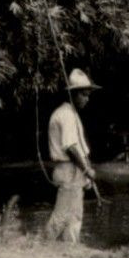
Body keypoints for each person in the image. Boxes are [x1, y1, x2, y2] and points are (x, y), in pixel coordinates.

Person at [44, 68, 100, 243]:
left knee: (73, 216)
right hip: (69, 170)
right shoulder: (67, 115)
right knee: (62, 216)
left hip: (72, 171)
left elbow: (79, 147)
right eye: (84, 95)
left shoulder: (70, 114)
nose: (87, 99)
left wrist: (86, 172)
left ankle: (68, 249)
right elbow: (70, 147)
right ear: (73, 95)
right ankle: (43, 246)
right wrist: (86, 169)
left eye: (88, 95)